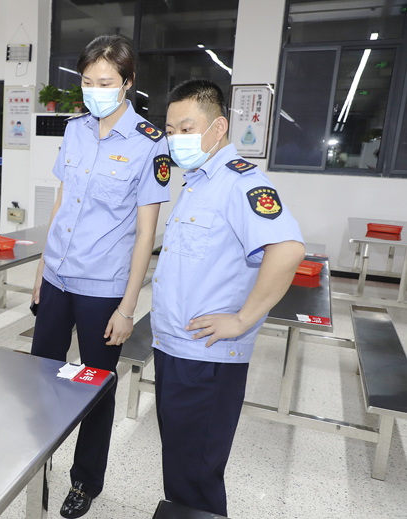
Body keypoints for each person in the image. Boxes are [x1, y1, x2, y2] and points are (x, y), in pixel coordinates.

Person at [151, 79, 306, 516]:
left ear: (218, 127)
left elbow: (288, 249)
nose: (175, 138)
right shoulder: (199, 182)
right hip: (177, 348)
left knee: (196, 473)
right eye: (170, 129)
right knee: (182, 465)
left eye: (186, 128)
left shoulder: (240, 183)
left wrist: (241, 320)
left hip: (209, 357)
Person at [30, 35, 169, 518]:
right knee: (38, 380)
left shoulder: (151, 144)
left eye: (104, 82)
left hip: (103, 290)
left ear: (128, 84)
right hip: (58, 280)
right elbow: (62, 203)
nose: (94, 90)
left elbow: (146, 235)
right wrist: (42, 270)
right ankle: (35, 470)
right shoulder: (75, 130)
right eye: (87, 81)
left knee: (94, 388)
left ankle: (85, 481)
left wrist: (128, 307)